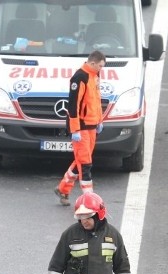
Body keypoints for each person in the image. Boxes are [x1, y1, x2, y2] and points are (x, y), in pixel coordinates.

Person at [47, 192, 132, 274]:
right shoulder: (70, 235)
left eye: (87, 217)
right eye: (80, 217)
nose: (84, 221)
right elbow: (55, 269)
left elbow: (122, 271)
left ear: (99, 214)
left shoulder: (113, 236)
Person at [55, 50, 106, 206]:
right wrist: (75, 129)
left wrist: (99, 120)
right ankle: (89, 199)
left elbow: (96, 100)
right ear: (92, 63)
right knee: (85, 164)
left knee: (82, 161)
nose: (101, 69)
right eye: (100, 66)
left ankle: (63, 188)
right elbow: (73, 106)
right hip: (81, 127)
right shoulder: (80, 78)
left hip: (91, 126)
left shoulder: (95, 75)